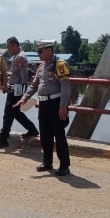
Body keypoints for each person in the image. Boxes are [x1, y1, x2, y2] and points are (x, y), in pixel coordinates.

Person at [13, 41, 72, 176]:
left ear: (49, 50)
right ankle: (47, 162)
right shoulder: (41, 67)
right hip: (44, 105)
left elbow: (66, 88)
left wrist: (63, 106)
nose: (38, 54)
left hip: (56, 104)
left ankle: (64, 165)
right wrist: (24, 99)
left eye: (40, 51)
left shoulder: (60, 64)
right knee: (45, 135)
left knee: (59, 135)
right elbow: (33, 86)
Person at [0, 37, 39, 149]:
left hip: (16, 91)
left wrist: (21, 94)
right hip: (13, 88)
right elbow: (16, 76)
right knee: (15, 113)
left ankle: (3, 139)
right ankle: (32, 129)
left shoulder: (20, 58)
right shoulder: (17, 57)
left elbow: (23, 78)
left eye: (9, 47)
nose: (8, 50)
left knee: (7, 114)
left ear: (15, 46)